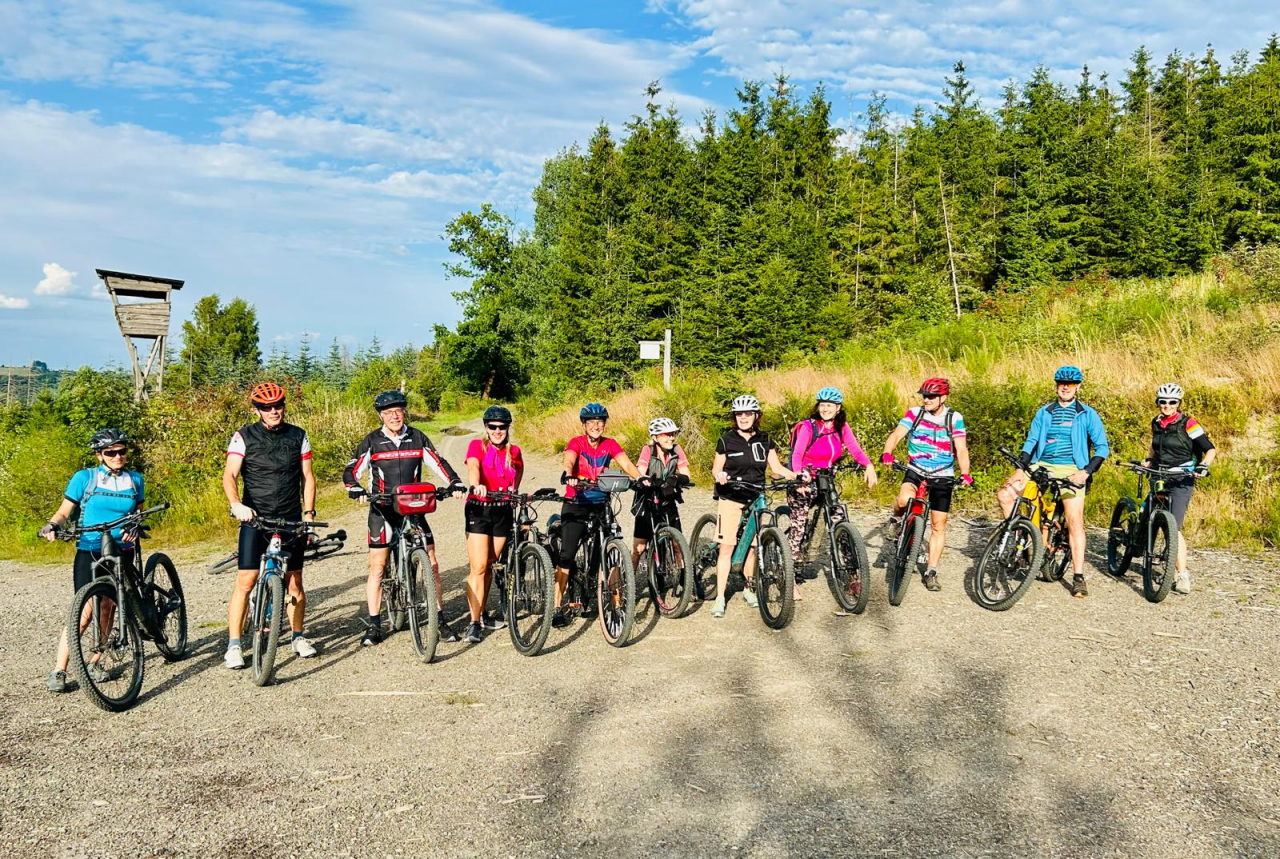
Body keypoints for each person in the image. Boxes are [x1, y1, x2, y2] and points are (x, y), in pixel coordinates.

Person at [343, 390, 466, 646]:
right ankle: (375, 625)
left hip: (413, 509)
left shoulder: (417, 437)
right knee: (378, 566)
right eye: (388, 413)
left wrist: (454, 482)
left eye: (398, 411)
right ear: (381, 416)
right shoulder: (372, 441)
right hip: (383, 509)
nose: (394, 416)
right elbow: (351, 470)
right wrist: (354, 488)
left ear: (404, 412)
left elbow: (438, 462)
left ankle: (440, 620)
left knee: (432, 562)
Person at [222, 382, 318, 668]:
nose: (274, 411)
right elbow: (230, 474)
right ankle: (234, 645)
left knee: (295, 582)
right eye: (266, 407)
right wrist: (236, 505)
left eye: (278, 405)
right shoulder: (243, 436)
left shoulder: (298, 435)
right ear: (257, 410)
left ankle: (298, 636)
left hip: (290, 516)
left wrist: (309, 514)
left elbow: (308, 477)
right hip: (255, 516)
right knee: (246, 580)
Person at [39, 429, 143, 693]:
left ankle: (95, 660)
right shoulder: (84, 478)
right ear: (100, 455)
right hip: (90, 548)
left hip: (121, 548)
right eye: (111, 452)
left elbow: (138, 512)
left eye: (122, 451)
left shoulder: (135, 480)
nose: (118, 456)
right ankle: (60, 669)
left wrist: (135, 525)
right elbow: (64, 511)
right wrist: (52, 525)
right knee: (84, 610)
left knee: (108, 606)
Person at [997, 366, 1110, 598]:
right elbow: (1031, 442)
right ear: (1056, 385)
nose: (1065, 387)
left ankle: (1078, 576)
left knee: (1074, 520)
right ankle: (1021, 538)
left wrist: (1086, 472)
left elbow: (1102, 448)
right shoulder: (1044, 412)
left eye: (1070, 384)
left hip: (1072, 468)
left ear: (1078, 387)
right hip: (1041, 463)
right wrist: (1020, 469)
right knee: (1006, 494)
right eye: (1061, 383)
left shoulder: (1087, 414)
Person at [552, 403, 640, 628]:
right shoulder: (576, 442)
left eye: (600, 422)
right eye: (591, 422)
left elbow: (626, 463)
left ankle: (612, 598)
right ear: (584, 425)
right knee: (567, 555)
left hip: (601, 503)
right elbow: (569, 459)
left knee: (610, 548)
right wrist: (568, 474)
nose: (596, 426)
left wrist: (641, 478)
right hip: (576, 503)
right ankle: (557, 606)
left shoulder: (609, 444)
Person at [710, 395, 799, 618]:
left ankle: (748, 588)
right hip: (731, 496)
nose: (743, 418)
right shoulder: (726, 440)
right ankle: (720, 597)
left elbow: (776, 468)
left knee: (753, 546)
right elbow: (716, 468)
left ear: (756, 415)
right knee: (727, 547)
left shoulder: (765, 439)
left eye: (748, 413)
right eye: (739, 414)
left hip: (756, 495)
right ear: (735, 417)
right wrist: (720, 475)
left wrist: (796, 476)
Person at [879, 378, 970, 592]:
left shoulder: (954, 418)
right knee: (904, 500)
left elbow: (961, 448)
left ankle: (931, 571)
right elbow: (897, 434)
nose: (926, 400)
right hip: (916, 469)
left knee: (939, 524)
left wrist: (966, 473)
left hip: (943, 474)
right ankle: (896, 519)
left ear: (943, 398)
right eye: (924, 396)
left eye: (931, 396)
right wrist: (887, 452)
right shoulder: (915, 413)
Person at [787, 387, 876, 597]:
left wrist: (868, 465)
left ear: (838, 408)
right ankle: (789, 578)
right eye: (822, 405)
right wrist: (798, 476)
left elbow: (854, 449)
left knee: (840, 523)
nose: (825, 409)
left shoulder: (841, 426)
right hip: (805, 478)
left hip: (826, 479)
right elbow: (797, 454)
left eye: (830, 405)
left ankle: (853, 577)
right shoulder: (809, 426)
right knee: (798, 525)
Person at [1143, 382, 1216, 594]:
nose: (1167, 405)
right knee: (1148, 514)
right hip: (1160, 474)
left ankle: (1182, 575)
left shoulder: (1189, 423)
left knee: (1173, 527)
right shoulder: (1157, 422)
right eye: (1163, 401)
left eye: (1172, 402)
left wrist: (1203, 466)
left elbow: (1210, 449)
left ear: (1178, 403)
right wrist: (1149, 459)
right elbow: (1154, 445)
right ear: (1158, 402)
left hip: (1182, 478)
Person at [462, 405, 523, 643]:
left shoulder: (514, 451)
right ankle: (474, 622)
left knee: (490, 563)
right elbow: (473, 466)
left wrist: (515, 492)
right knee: (478, 567)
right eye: (493, 427)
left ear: (508, 428)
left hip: (502, 510)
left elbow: (518, 472)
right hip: (479, 508)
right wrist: (476, 484)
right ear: (486, 428)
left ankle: (482, 610)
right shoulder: (477, 445)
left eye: (502, 427)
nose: (497, 431)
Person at [631, 417, 693, 569]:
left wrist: (677, 478)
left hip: (667, 497)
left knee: (678, 544)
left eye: (672, 434)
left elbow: (686, 474)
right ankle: (628, 579)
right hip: (647, 500)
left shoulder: (677, 450)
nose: (671, 438)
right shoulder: (648, 450)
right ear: (655, 437)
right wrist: (644, 479)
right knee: (639, 548)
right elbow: (640, 471)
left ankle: (685, 577)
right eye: (666, 435)